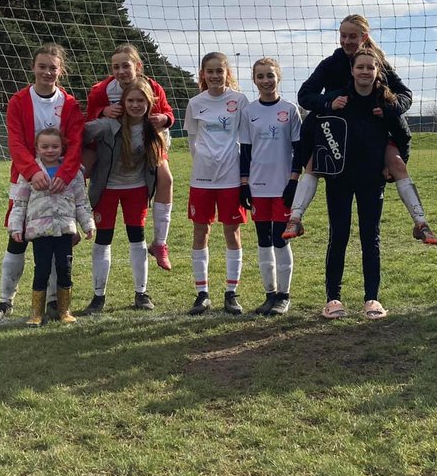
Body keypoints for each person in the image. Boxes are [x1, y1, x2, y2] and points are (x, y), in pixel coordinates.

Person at [287, 14, 437, 245]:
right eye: (343, 35)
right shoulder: (331, 64)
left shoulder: (377, 63)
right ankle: (295, 218)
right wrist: (329, 102)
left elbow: (405, 95)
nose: (347, 40)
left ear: (364, 37)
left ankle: (421, 222)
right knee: (314, 164)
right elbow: (305, 95)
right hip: (337, 136)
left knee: (397, 163)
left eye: (352, 36)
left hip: (371, 135)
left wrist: (388, 108)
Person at [0, 44, 84, 323]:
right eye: (42, 66)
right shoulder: (18, 101)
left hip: (59, 184)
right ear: (34, 68)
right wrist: (31, 171)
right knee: (17, 237)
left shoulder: (70, 104)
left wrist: (63, 174)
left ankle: (53, 302)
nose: (47, 72)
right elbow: (15, 142)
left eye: (53, 67)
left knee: (54, 240)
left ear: (60, 70)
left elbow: (75, 144)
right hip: (26, 181)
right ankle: (5, 301)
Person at [315, 49, 411, 319]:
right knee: (339, 237)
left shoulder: (386, 103)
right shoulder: (338, 99)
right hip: (339, 180)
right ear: (353, 70)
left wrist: (393, 164)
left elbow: (404, 136)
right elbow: (315, 124)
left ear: (378, 71)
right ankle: (333, 299)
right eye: (361, 67)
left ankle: (372, 299)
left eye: (371, 67)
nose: (365, 72)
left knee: (371, 238)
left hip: (371, 181)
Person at [85, 44, 176, 270]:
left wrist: (164, 119)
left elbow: (168, 112)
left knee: (166, 179)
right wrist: (102, 111)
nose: (121, 71)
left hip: (145, 143)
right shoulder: (101, 90)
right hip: (109, 146)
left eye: (126, 65)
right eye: (115, 67)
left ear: (138, 66)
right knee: (77, 170)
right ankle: (68, 225)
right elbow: (89, 118)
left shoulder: (153, 87)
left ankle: (160, 242)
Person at [81, 77, 166, 314]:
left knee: (137, 238)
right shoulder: (108, 125)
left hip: (136, 189)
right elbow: (80, 133)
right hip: (106, 189)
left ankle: (141, 293)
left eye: (141, 100)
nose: (136, 105)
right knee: (103, 239)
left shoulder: (152, 128)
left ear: (149, 102)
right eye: (131, 100)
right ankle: (98, 297)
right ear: (123, 101)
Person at [183, 52, 251, 315]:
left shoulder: (239, 100)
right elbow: (192, 141)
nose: (214, 76)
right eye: (209, 71)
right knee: (200, 233)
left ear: (227, 73)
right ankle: (202, 293)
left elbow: (246, 139)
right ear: (203, 74)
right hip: (201, 179)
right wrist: (204, 162)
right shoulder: (196, 103)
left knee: (232, 233)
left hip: (231, 179)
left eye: (219, 71)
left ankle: (231, 293)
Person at [8, 127, 95, 326]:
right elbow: (19, 203)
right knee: (42, 270)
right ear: (37, 148)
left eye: (54, 146)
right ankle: (36, 313)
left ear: (62, 148)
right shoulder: (29, 174)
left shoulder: (73, 173)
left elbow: (81, 202)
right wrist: (15, 228)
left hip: (64, 230)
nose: (50, 150)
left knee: (65, 268)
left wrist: (87, 224)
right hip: (40, 233)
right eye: (44, 146)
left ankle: (64, 311)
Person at [239, 58, 302, 316]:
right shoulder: (249, 111)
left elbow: (299, 149)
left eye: (270, 75)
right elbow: (245, 150)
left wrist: (294, 179)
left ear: (279, 77)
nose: (266, 80)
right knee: (263, 240)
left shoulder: (289, 109)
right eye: (261, 76)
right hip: (258, 187)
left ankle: (284, 296)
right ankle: (270, 294)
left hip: (283, 186)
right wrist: (244, 184)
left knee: (280, 240)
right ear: (254, 80)